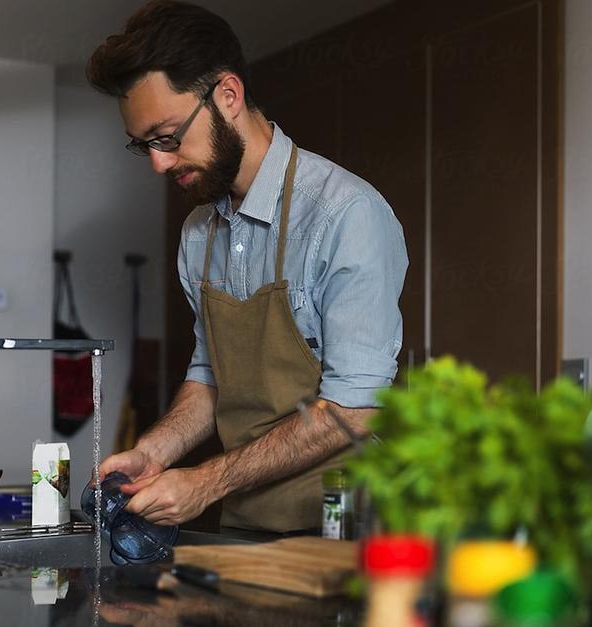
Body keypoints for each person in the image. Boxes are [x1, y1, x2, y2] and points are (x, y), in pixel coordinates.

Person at [88, 0, 408, 534]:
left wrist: (208, 482)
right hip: (243, 522)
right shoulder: (198, 232)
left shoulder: (345, 214)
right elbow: (211, 374)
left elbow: (355, 407)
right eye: (143, 145)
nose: (159, 163)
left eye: (167, 137)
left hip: (341, 529)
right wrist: (155, 450)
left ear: (228, 96)